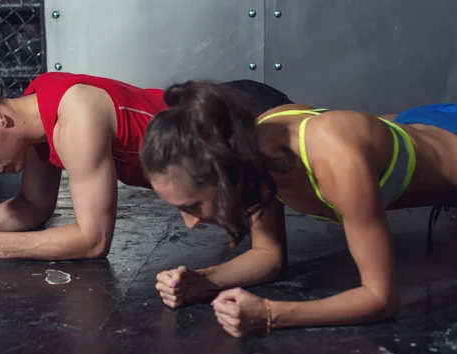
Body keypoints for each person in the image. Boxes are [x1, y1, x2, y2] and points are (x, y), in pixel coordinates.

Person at [139, 80, 457, 337]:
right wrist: (203, 280)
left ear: (226, 172)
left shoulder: (334, 155)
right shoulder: (250, 155)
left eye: (193, 205)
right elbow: (268, 256)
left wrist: (269, 314)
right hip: (415, 123)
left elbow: (380, 298)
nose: (190, 223)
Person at [0, 72, 294, 266]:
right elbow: (33, 207)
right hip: (221, 128)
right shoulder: (34, 110)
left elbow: (94, 241)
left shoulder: (77, 116)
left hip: (246, 117)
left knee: (335, 195)